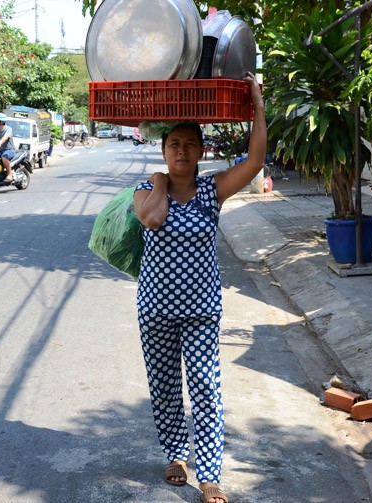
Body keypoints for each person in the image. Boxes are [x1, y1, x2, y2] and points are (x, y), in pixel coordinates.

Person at [132, 72, 266, 503]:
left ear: (201, 151)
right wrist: (158, 182)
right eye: (174, 145)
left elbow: (255, 161)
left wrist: (258, 106)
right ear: (164, 150)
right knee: (165, 385)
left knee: (206, 388)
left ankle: (209, 476)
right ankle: (175, 455)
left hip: (202, 309)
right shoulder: (144, 190)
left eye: (190, 145)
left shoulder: (213, 190)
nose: (182, 152)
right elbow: (152, 219)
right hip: (156, 307)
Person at [0, 112, 15, 182]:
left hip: (9, 150)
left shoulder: (8, 129)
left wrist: (0, 143)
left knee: (4, 157)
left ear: (1, 122)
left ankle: (9, 174)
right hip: (0, 151)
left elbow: (5, 137)